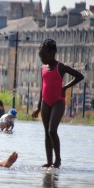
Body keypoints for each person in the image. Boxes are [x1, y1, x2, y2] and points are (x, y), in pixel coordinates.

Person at [32, 39, 84, 169]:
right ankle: (49, 162)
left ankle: (58, 160)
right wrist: (38, 107)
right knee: (46, 132)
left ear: (53, 53)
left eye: (44, 55)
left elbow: (80, 76)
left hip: (58, 102)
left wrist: (65, 87)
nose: (42, 58)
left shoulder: (60, 67)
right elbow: (42, 88)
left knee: (52, 130)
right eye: (40, 56)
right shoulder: (42, 68)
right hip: (45, 102)